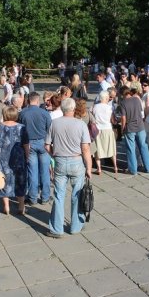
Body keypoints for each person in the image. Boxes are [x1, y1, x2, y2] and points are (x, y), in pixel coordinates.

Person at [45, 98, 92, 237]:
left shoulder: (54, 123)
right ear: (73, 109)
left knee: (59, 195)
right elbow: (85, 149)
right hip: (76, 161)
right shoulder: (81, 124)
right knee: (77, 194)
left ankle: (56, 229)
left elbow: (47, 146)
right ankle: (76, 226)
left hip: (60, 161)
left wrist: (54, 155)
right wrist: (89, 168)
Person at [19, 92, 52, 206]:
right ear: (38, 101)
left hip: (29, 144)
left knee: (32, 171)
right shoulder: (45, 113)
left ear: (28, 101)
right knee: (45, 171)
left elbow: (20, 130)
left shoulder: (23, 113)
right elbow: (49, 129)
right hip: (43, 142)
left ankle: (32, 198)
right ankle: (45, 197)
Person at [0, 106, 28, 214]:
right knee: (20, 181)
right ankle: (21, 206)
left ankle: (6, 206)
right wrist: (27, 157)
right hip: (19, 158)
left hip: (3, 157)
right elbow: (26, 144)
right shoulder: (22, 127)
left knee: (3, 180)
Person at [120, 87, 149, 174]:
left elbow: (123, 118)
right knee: (143, 146)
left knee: (131, 149)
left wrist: (122, 128)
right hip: (140, 126)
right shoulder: (137, 99)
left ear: (122, 94)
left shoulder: (123, 103)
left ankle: (133, 170)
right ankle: (148, 168)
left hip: (130, 127)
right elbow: (141, 112)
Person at [93, 91, 118, 174]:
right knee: (111, 149)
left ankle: (99, 168)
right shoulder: (109, 108)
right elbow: (113, 120)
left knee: (98, 150)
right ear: (106, 98)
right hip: (108, 128)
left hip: (98, 129)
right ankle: (115, 167)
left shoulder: (95, 107)